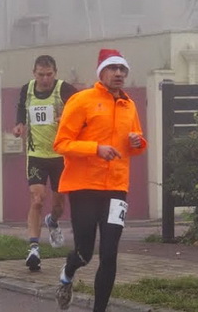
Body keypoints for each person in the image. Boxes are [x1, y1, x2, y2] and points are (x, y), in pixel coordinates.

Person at [53, 48, 147, 311]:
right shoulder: (82, 101)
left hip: (117, 188)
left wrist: (138, 142)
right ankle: (68, 272)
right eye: (113, 68)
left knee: (109, 253)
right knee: (85, 252)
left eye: (122, 70)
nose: (119, 74)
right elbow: (61, 143)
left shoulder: (129, 105)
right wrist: (96, 148)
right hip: (84, 186)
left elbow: (137, 144)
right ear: (101, 72)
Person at [12, 55, 77, 272]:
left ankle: (53, 221)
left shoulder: (64, 89)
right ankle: (33, 248)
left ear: (55, 73)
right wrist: (19, 125)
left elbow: (80, 110)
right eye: (41, 75)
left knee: (58, 204)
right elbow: (22, 108)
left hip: (60, 156)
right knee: (37, 199)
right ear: (34, 73)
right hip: (37, 154)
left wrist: (65, 117)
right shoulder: (27, 89)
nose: (45, 79)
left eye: (49, 75)